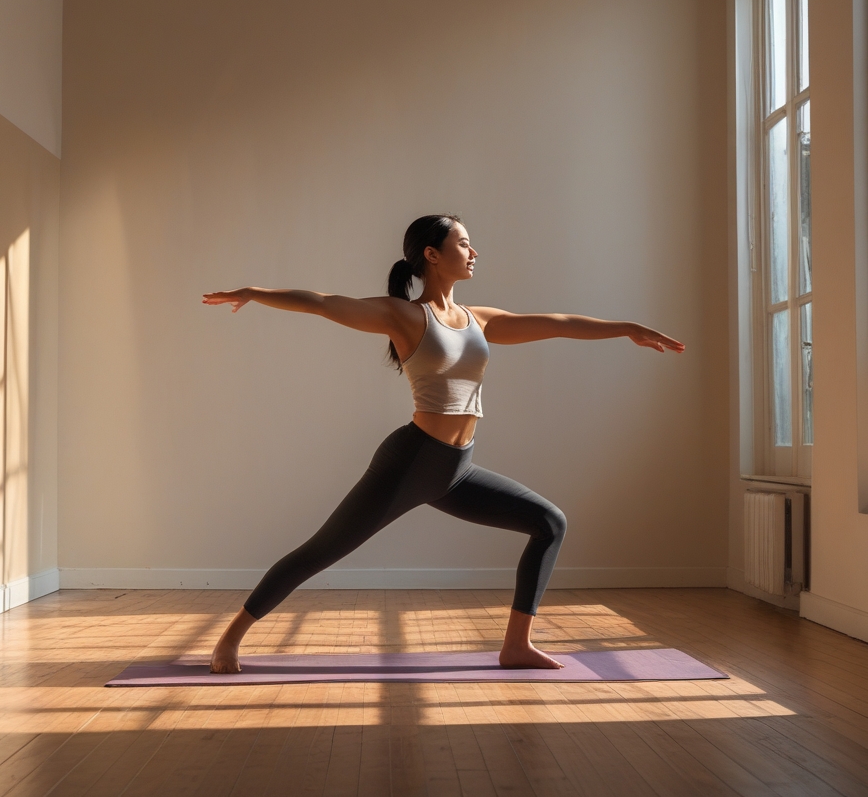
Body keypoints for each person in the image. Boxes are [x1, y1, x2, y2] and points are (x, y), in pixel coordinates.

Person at [202, 214, 684, 673]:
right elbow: (324, 302)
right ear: (432, 255)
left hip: (457, 469)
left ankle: (517, 645)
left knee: (549, 523)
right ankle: (232, 636)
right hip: (410, 462)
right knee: (322, 551)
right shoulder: (405, 316)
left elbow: (557, 322)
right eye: (463, 243)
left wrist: (626, 329)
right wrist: (254, 292)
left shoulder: (480, 320)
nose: (474, 251)